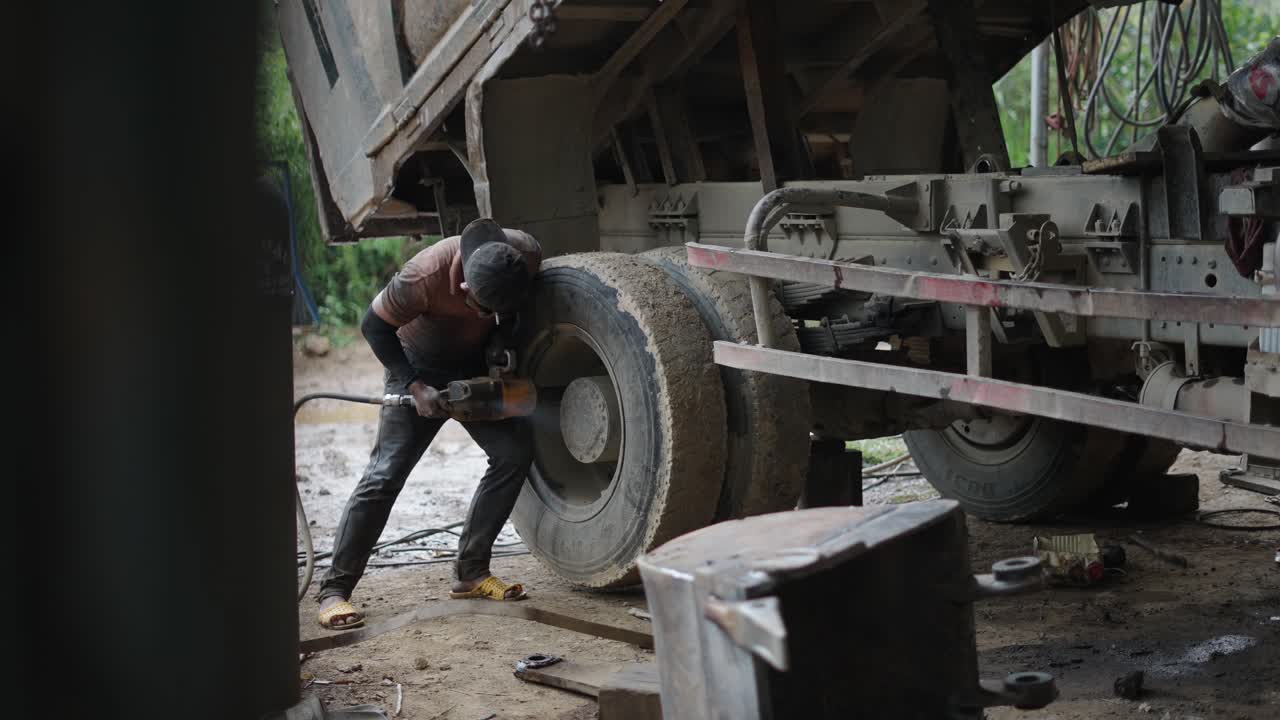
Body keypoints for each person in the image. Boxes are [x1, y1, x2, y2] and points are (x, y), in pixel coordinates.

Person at [316, 218, 542, 630]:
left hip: (473, 367)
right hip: (417, 365)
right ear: (463, 288)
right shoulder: (425, 275)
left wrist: (499, 340)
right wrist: (414, 385)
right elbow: (374, 326)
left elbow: (515, 316)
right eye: (482, 308)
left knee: (513, 453)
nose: (487, 315)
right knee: (386, 475)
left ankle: (471, 572)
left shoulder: (523, 254)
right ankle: (335, 590)